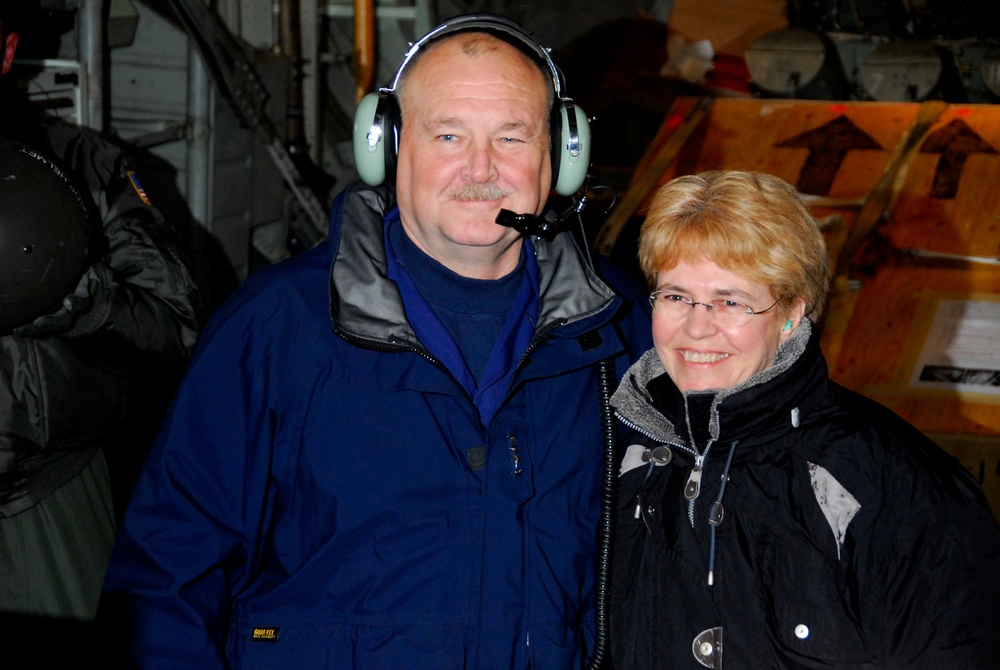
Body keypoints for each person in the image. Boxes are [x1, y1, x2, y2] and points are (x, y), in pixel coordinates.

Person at [103, 13, 651, 669]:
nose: (482, 169)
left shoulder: (621, 326)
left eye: (512, 136)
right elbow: (165, 582)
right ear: (387, 148)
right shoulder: (277, 328)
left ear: (561, 155)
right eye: (448, 134)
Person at [609, 169, 1000, 669]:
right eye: (676, 296)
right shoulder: (627, 457)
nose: (697, 327)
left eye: (732, 301)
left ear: (793, 311)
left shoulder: (888, 481)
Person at [0, 0, 200, 624]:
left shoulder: (84, 167)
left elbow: (173, 327)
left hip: (39, 501)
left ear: (6, 53)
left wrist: (66, 295)